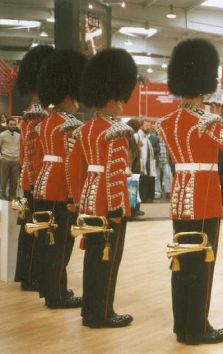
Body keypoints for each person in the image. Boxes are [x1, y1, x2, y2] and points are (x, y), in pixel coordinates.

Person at [158, 38, 223, 345]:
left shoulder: (167, 122)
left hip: (180, 198)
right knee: (202, 266)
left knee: (182, 263)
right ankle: (197, 328)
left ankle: (183, 324)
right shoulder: (207, 121)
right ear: (205, 86)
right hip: (205, 200)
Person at [70, 48, 137, 328]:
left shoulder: (84, 129)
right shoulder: (116, 130)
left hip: (88, 199)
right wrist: (116, 207)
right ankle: (103, 312)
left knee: (93, 258)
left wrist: (76, 200)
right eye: (120, 99)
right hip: (107, 203)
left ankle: (90, 309)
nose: (123, 104)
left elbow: (75, 169)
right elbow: (114, 172)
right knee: (108, 259)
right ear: (113, 99)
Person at [33, 49, 86, 308]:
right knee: (61, 244)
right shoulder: (69, 124)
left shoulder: (44, 122)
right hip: (59, 188)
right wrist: (73, 196)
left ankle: (51, 290)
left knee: (48, 242)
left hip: (43, 184)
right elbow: (70, 164)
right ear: (68, 97)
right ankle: (57, 295)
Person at [14, 44, 54, 291]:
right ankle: (33, 276)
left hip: (30, 178)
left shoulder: (32, 111)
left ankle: (28, 275)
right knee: (37, 230)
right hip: (38, 180)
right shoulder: (40, 115)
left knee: (31, 229)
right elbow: (37, 153)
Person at [0, 118, 20, 201]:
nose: (13, 126)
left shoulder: (18, 135)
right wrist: (1, 158)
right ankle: (2, 196)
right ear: (7, 125)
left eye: (15, 124)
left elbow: (20, 147)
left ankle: (12, 196)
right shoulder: (2, 135)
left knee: (14, 181)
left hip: (16, 161)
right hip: (5, 160)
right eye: (11, 124)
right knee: (3, 181)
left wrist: (20, 158)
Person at [138, 119, 156, 202]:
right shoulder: (138, 136)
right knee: (143, 181)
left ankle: (148, 198)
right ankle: (143, 198)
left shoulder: (147, 137)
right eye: (146, 126)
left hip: (149, 163)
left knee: (149, 179)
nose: (148, 127)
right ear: (141, 126)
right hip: (141, 163)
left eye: (149, 126)